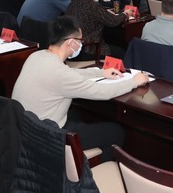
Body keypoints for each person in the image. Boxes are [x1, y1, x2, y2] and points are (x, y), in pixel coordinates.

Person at [12, 15, 148, 161]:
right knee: (116, 132)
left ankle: (78, 157)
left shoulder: (36, 56)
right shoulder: (61, 74)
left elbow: (69, 74)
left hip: (25, 129)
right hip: (46, 137)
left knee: (76, 115)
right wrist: (133, 82)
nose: (81, 45)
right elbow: (102, 92)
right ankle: (92, 169)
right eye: (80, 41)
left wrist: (100, 72)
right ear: (71, 42)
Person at [66, 0, 135, 59]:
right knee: (121, 52)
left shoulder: (73, 3)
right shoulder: (93, 6)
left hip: (71, 48)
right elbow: (113, 21)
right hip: (89, 48)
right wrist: (125, 14)